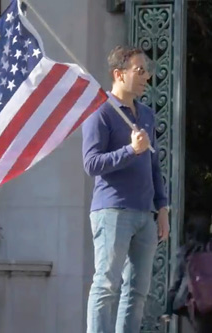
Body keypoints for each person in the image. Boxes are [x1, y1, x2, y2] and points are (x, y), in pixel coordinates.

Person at [82, 45, 169, 333]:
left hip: (145, 213)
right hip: (112, 211)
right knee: (107, 285)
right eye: (140, 70)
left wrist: (163, 208)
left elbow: (154, 164)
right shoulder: (100, 113)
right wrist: (130, 150)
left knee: (137, 291)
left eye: (148, 71)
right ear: (118, 74)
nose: (146, 77)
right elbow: (91, 163)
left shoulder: (146, 114)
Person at [165, 214, 212, 332]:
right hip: (211, 300)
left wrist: (168, 308)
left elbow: (176, 281)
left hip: (190, 301)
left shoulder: (184, 252)